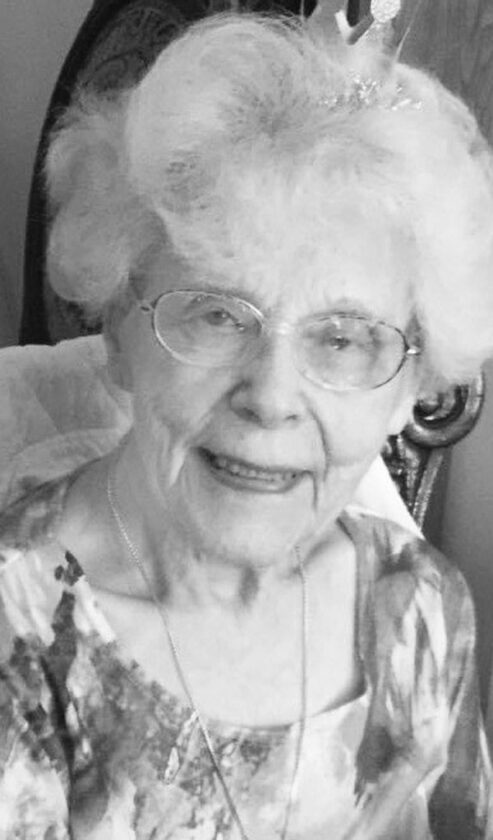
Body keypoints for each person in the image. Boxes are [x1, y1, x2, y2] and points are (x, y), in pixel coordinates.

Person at [1, 8, 493, 840]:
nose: (271, 396)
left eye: (343, 338)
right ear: (117, 331)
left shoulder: (420, 602)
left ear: (409, 386)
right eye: (217, 315)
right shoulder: (21, 645)